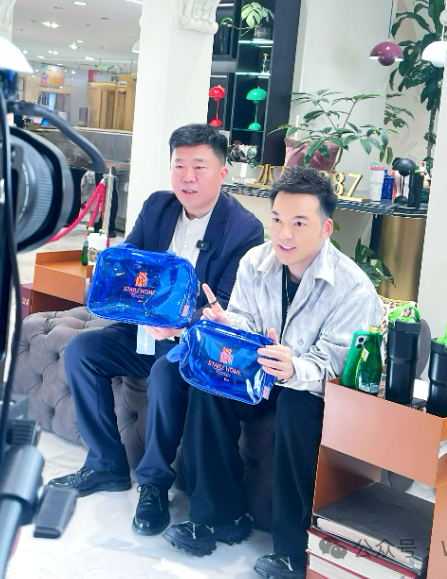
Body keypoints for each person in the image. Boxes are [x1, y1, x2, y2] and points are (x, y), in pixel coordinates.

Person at [161, 167, 383, 579]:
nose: (284, 234)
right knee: (209, 387)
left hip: (311, 388)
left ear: (326, 228)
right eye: (277, 219)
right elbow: (245, 322)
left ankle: (292, 551)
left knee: (297, 407)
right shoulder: (255, 262)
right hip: (260, 375)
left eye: (299, 223)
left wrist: (294, 367)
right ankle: (217, 517)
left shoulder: (352, 287)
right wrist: (228, 324)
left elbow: (334, 366)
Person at [47, 124, 264, 536]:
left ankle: (154, 486)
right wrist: (127, 298)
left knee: (166, 372)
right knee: (81, 352)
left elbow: (225, 302)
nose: (187, 177)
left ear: (222, 172)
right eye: (179, 165)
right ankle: (106, 464)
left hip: (191, 342)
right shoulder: (158, 206)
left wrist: (180, 324)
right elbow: (128, 264)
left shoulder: (244, 229)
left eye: (199, 166)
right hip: (141, 330)